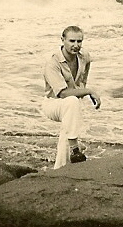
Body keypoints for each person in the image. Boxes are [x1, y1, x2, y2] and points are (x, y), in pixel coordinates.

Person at [42, 25, 101, 169]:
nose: (76, 45)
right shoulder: (52, 62)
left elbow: (81, 83)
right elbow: (62, 93)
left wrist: (84, 91)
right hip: (52, 104)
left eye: (79, 41)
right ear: (62, 40)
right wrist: (89, 91)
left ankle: (60, 168)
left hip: (71, 104)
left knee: (67, 129)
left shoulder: (84, 57)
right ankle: (75, 148)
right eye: (72, 41)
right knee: (71, 101)